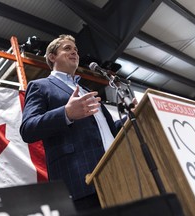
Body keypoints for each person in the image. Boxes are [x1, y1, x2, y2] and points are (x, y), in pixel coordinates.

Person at [20, 34, 135, 213]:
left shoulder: (86, 90)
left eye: (76, 50)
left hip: (115, 175)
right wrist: (66, 113)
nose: (74, 52)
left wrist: (130, 118)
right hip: (80, 181)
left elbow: (108, 132)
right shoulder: (40, 86)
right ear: (52, 57)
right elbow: (28, 129)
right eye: (67, 49)